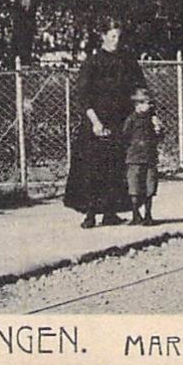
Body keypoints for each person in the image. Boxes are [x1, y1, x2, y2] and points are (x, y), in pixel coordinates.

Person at [64, 23, 147, 229]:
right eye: (111, 36)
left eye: (118, 37)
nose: (115, 41)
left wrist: (143, 114)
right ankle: (90, 214)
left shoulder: (128, 61)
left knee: (116, 167)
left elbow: (140, 90)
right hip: (96, 124)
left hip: (122, 123)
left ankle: (110, 213)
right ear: (103, 37)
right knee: (93, 168)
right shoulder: (92, 63)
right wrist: (95, 122)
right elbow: (83, 96)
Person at [121, 87, 163, 226]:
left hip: (149, 157)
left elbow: (160, 137)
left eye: (151, 103)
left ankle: (148, 214)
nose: (150, 106)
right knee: (134, 186)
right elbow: (125, 136)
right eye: (146, 103)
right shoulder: (131, 119)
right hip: (134, 158)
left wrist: (159, 130)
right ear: (137, 105)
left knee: (149, 186)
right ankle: (135, 214)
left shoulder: (152, 119)